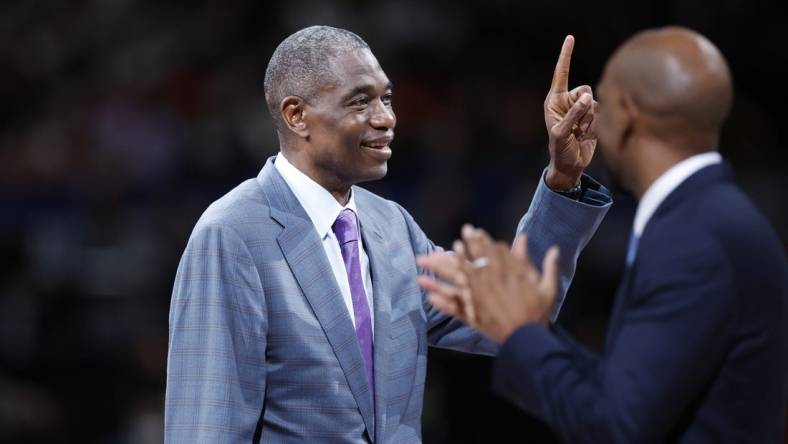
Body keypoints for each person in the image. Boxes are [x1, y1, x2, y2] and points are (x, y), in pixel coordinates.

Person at [164, 26, 611, 443]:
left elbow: (514, 312)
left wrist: (563, 177)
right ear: (297, 115)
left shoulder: (391, 227)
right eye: (361, 102)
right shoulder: (232, 235)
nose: (386, 119)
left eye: (387, 98)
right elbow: (207, 427)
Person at [418, 27, 788, 443]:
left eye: (602, 101)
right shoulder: (719, 216)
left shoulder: (692, 239)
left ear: (627, 113)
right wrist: (531, 326)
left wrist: (524, 334)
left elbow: (614, 428)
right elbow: (636, 396)